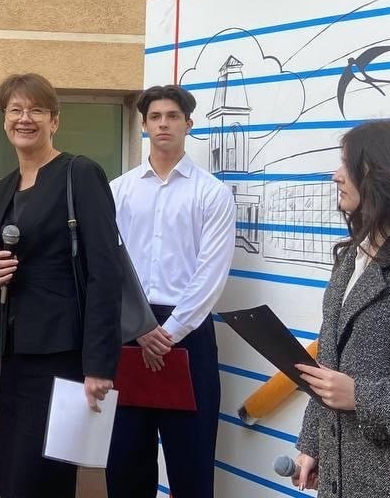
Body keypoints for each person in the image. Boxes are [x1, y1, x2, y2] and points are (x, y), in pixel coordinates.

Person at [0, 73, 125, 498]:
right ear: (4, 119)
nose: (25, 119)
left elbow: (105, 272)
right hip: (11, 353)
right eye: (15, 110)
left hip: (60, 352)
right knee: (9, 478)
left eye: (36, 110)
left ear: (54, 121)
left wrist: (99, 364)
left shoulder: (79, 173)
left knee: (41, 480)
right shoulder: (3, 188)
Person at [289, 120, 390, 496]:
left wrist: (361, 396)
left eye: (348, 164)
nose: (336, 175)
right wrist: (313, 442)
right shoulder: (351, 255)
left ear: (386, 173)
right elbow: (328, 364)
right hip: (339, 474)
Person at [106, 84, 235, 498]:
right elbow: (110, 264)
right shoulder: (118, 190)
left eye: (173, 116)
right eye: (156, 117)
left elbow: (211, 271)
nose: (164, 124)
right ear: (144, 125)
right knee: (125, 462)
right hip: (130, 330)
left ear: (188, 124)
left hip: (189, 333)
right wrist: (141, 327)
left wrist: (170, 331)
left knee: (191, 464)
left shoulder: (211, 192)